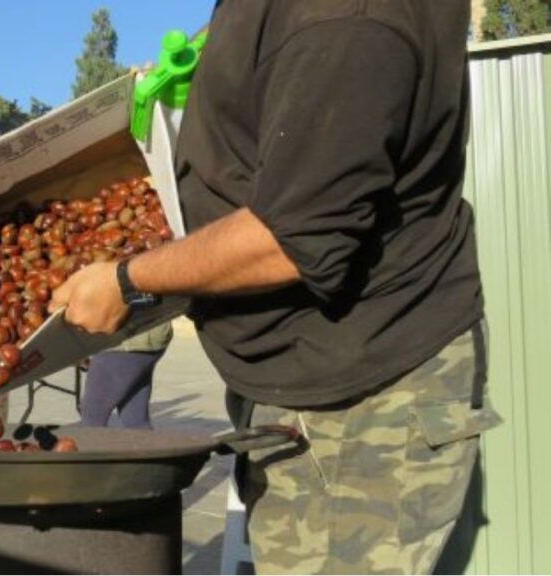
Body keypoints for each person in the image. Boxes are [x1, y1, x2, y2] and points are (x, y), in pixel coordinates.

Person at [50, 2, 502, 573]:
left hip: (361, 396)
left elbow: (298, 237)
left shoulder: (343, 20)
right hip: (300, 376)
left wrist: (128, 281)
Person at [81, 322, 172, 429]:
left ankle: (95, 441)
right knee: (135, 419)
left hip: (122, 342)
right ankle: (142, 439)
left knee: (93, 414)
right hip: (150, 336)